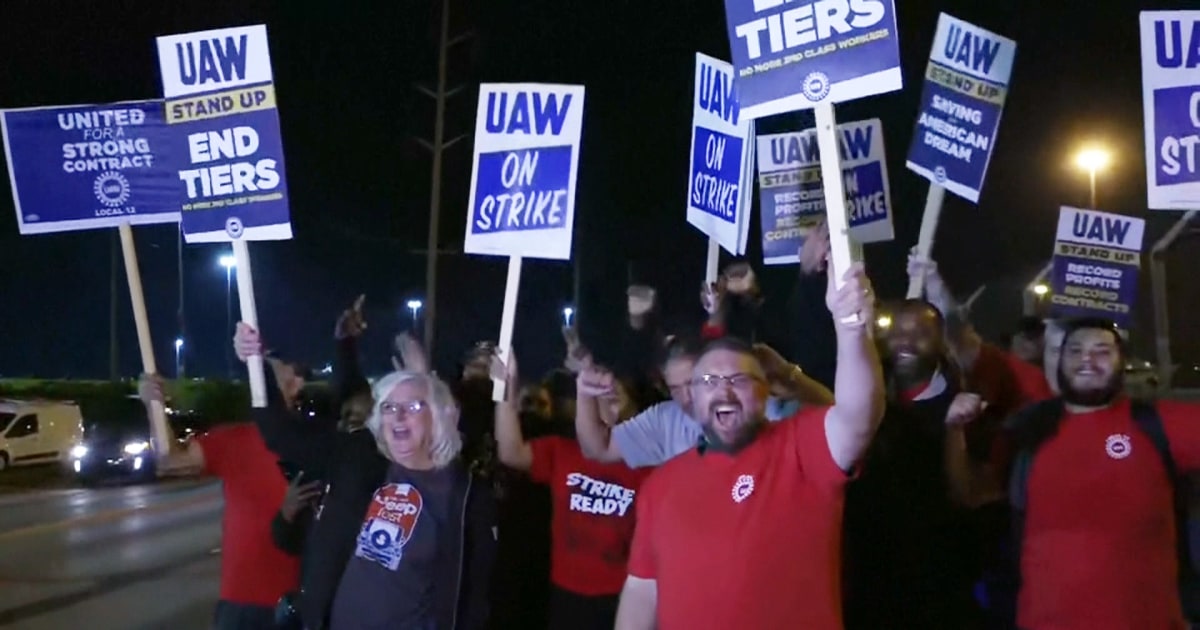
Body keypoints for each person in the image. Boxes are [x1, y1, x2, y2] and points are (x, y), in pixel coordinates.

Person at [614, 262, 884, 629]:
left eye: (739, 379)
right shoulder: (660, 487)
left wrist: (851, 329)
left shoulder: (801, 447)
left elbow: (857, 415)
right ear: (691, 395)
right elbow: (642, 590)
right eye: (709, 380)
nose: (723, 390)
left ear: (764, 391)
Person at [235, 319, 496, 630]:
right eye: (387, 407)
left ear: (440, 416)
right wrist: (254, 364)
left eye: (413, 407)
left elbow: (473, 599)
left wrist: (425, 378)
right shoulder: (359, 457)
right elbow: (281, 432)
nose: (397, 415)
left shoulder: (465, 496)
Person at [996, 318, 1200, 629]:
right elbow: (974, 491)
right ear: (1058, 362)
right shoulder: (1027, 431)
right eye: (1075, 351)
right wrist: (955, 429)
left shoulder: (1158, 423)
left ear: (1123, 363)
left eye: (1102, 351)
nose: (1087, 360)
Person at [493, 350, 650, 630]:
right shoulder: (562, 450)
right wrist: (506, 391)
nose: (609, 401)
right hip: (565, 592)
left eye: (616, 395)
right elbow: (510, 452)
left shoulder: (647, 462)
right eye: (600, 394)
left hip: (622, 596)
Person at [137, 375, 300, 630]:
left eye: (294, 375)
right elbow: (169, 462)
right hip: (241, 602)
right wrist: (153, 404)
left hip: (296, 601)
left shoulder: (315, 443)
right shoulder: (232, 439)